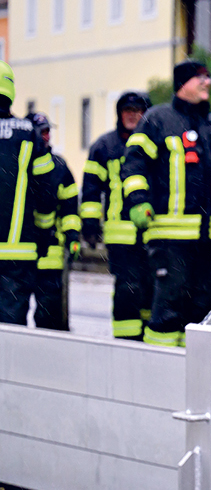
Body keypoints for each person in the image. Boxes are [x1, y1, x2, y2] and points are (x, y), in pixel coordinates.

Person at [120, 60, 211, 347]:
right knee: (168, 307)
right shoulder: (158, 119)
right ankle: (160, 372)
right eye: (200, 78)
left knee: (203, 308)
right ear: (183, 83)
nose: (207, 83)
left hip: (208, 237)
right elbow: (134, 163)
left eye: (208, 78)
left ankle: (194, 373)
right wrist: (138, 200)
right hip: (168, 236)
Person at [80, 91, 153, 340]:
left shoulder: (154, 142)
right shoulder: (104, 146)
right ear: (119, 115)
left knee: (151, 286)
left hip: (152, 229)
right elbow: (91, 188)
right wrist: (89, 224)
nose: (132, 116)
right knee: (127, 288)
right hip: (119, 233)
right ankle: (126, 340)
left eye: (137, 111)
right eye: (127, 112)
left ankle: (148, 336)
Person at [0, 61, 57, 326]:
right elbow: (46, 194)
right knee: (11, 331)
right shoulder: (30, 135)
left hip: (18, 254)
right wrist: (44, 234)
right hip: (18, 253)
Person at [25, 112, 80, 331]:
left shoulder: (59, 167)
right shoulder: (17, 164)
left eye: (48, 131)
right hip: (20, 254)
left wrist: (73, 235)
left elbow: (70, 207)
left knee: (49, 317)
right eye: (42, 132)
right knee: (13, 315)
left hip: (51, 256)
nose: (46, 137)